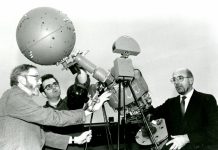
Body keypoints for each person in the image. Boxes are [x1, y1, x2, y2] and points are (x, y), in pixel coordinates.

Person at [0, 64, 111, 150]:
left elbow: (42, 136)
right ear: (22, 80)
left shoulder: (22, 103)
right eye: (35, 77)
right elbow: (51, 117)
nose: (39, 82)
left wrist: (75, 140)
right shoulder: (14, 96)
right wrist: (88, 111)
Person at [146, 68, 218, 150]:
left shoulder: (207, 99)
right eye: (174, 79)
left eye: (180, 78)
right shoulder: (170, 103)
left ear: (191, 80)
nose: (176, 82)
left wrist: (187, 138)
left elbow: (215, 130)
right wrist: (146, 103)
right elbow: (152, 114)